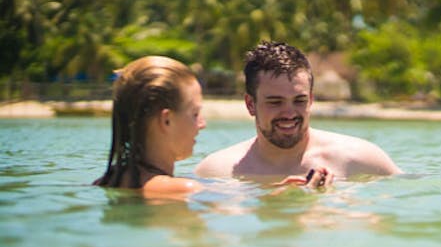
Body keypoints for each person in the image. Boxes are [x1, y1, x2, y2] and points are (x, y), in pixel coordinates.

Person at [194, 41, 404, 183]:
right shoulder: (217, 171)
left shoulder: (360, 159)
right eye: (275, 102)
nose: (289, 113)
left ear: (311, 100)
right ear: (250, 104)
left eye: (299, 100)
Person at [93, 56, 206, 195]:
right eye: (195, 114)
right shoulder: (185, 189)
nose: (202, 124)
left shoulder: (104, 182)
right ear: (166, 120)